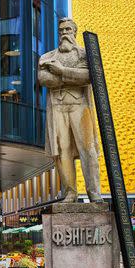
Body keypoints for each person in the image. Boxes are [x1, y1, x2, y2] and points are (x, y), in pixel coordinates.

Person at [38, 18, 102, 203]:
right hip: (58, 108)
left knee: (88, 150)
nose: (64, 33)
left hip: (80, 107)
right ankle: (70, 192)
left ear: (74, 32)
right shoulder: (47, 56)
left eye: (67, 29)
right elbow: (44, 79)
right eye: (61, 30)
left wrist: (61, 71)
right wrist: (70, 77)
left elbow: (89, 76)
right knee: (62, 150)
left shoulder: (85, 55)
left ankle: (94, 193)